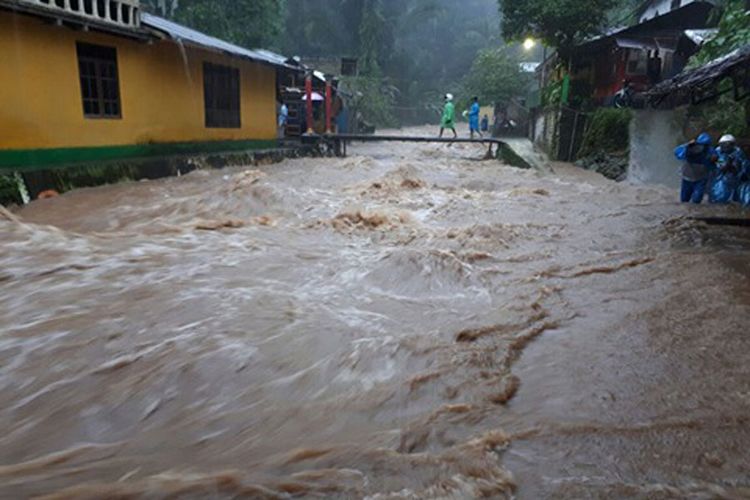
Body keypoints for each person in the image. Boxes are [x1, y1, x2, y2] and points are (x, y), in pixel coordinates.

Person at [674, 132, 713, 204]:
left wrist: (717, 161)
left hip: (700, 179)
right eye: (701, 144)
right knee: (684, 200)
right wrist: (687, 145)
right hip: (687, 178)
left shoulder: (710, 152)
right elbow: (676, 152)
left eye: (705, 145)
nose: (702, 147)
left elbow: (720, 162)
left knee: (696, 199)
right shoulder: (689, 149)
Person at [710, 134, 749, 204]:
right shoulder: (717, 151)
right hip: (720, 178)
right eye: (723, 144)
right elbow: (720, 166)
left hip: (735, 178)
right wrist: (727, 164)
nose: (725, 146)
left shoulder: (738, 152)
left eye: (728, 144)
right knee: (718, 197)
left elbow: (743, 165)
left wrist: (740, 171)